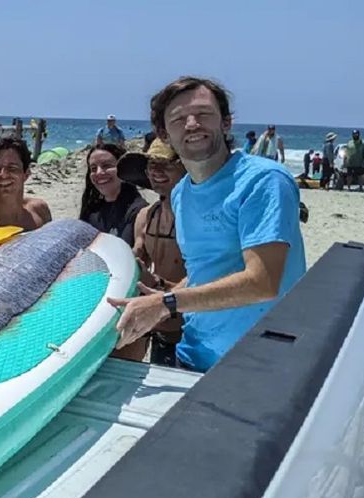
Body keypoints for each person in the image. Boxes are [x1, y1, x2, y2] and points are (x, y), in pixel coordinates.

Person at [109, 76, 306, 373]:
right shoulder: (181, 194)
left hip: (261, 367)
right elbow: (206, 269)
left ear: (226, 123)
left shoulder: (263, 181)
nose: (191, 124)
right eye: (178, 119)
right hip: (193, 354)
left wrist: (169, 303)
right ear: (164, 134)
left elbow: (263, 282)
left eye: (203, 114)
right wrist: (163, 297)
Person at [115, 139, 188, 365]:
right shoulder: (147, 216)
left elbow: (205, 276)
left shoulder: (194, 219)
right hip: (155, 323)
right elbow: (135, 260)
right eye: (151, 164)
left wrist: (157, 283)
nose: (156, 171)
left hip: (190, 326)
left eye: (166, 164)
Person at [79, 143, 147, 246]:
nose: (99, 172)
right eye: (93, 168)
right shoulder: (91, 211)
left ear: (123, 169)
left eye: (106, 166)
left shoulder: (138, 211)